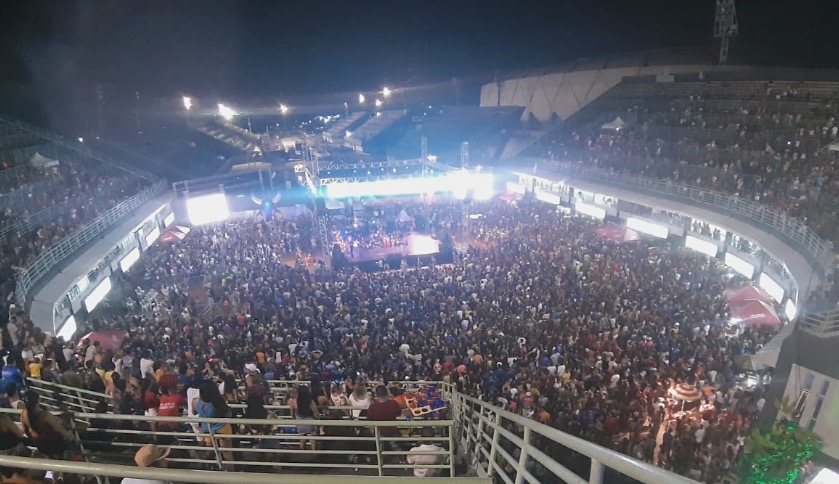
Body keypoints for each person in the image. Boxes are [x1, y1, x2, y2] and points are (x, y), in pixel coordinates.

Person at [19, 391, 73, 459]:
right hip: (54, 444)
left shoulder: (23, 414)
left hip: (40, 445)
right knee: (71, 439)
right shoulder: (44, 415)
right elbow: (59, 429)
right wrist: (69, 434)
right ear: (38, 400)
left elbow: (27, 432)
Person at [195, 382, 233, 463]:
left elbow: (194, 411)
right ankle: (229, 471)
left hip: (207, 430)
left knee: (210, 452)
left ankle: (209, 467)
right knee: (227, 454)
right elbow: (228, 414)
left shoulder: (198, 403)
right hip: (222, 428)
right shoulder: (217, 402)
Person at [289, 384, 319, 450]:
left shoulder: (293, 401)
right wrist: (318, 419)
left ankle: (302, 452)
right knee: (312, 438)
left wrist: (295, 419)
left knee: (302, 438)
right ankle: (314, 452)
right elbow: (316, 413)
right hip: (310, 421)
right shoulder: (310, 402)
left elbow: (292, 413)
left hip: (300, 421)